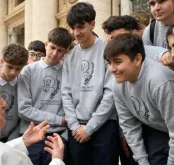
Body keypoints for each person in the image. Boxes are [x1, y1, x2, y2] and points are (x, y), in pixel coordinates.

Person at [62, 2, 119, 165]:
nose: (76, 33)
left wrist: (90, 128)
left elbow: (111, 93)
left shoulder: (108, 50)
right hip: (76, 129)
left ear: (92, 24)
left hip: (105, 126)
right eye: (72, 28)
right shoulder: (70, 57)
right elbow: (65, 93)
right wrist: (74, 126)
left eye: (80, 27)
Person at [104, 33, 174, 165]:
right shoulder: (118, 83)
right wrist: (142, 161)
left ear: (137, 59)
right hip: (157, 129)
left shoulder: (158, 81)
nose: (112, 69)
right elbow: (128, 124)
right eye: (109, 63)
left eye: (117, 62)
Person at [18, 27, 72, 165]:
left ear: (65, 51)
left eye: (60, 50)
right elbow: (24, 109)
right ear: (46, 44)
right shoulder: (28, 71)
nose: (54, 53)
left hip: (58, 136)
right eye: (52, 47)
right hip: (32, 135)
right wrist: (59, 120)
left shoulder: (68, 71)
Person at [0, 43, 28, 142]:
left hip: (13, 139)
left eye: (18, 69)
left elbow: (23, 115)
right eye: (10, 67)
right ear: (2, 61)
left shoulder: (23, 83)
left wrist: (13, 139)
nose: (13, 72)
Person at [102, 15, 169, 63]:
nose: (117, 42)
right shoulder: (110, 59)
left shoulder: (159, 54)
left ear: (135, 33)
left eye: (121, 37)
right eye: (114, 38)